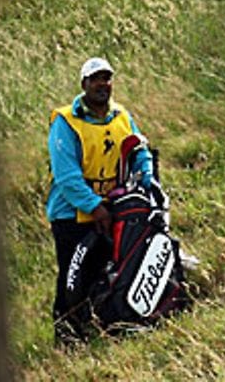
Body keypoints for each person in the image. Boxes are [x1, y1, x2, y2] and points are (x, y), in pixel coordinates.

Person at [45, 56, 156, 343]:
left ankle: (99, 327)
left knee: (105, 271)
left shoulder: (121, 116)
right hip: (71, 214)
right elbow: (66, 177)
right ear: (84, 84)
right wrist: (95, 207)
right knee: (72, 275)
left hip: (112, 208)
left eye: (106, 78)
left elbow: (139, 150)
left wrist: (147, 178)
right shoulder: (66, 122)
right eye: (95, 79)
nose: (102, 84)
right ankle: (67, 336)